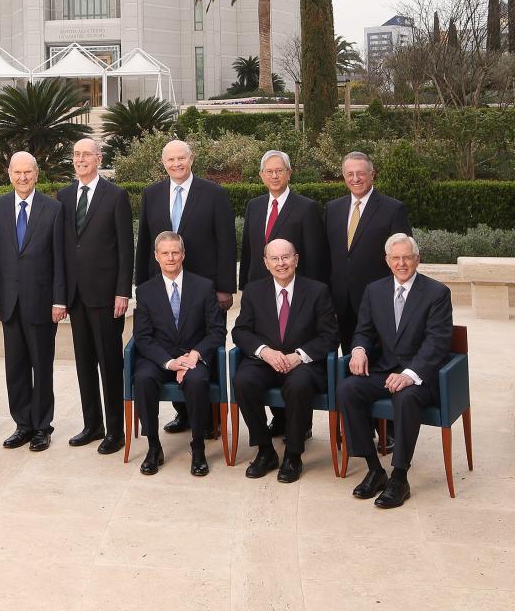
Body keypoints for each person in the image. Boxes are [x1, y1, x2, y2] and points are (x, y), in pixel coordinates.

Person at [337, 233, 453, 508]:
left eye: (407, 258)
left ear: (417, 260)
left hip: (420, 376)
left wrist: (409, 374)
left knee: (406, 397)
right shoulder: (374, 290)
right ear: (387, 261)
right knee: (348, 389)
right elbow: (363, 331)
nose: (402, 263)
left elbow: (437, 342)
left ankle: (399, 477)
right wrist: (359, 350)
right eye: (396, 258)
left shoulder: (437, 293)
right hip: (384, 369)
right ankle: (374, 468)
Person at [135, 139, 236, 435]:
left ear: (192, 159)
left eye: (182, 158)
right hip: (162, 287)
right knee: (170, 344)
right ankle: (185, 414)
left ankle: (209, 420)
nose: (177, 164)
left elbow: (227, 243)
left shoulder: (214, 193)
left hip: (205, 289)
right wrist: (142, 285)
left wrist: (225, 287)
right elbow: (144, 241)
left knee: (203, 350)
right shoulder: (151, 194)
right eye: (171, 160)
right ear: (163, 163)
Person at [231, 238, 339, 483]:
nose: (281, 263)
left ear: (296, 259)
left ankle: (293, 454)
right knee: (243, 381)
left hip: (302, 363)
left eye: (286, 257)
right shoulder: (254, 291)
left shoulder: (317, 291)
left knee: (299, 385)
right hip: (265, 361)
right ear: (266, 263)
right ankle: (265, 451)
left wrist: (298, 356)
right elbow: (240, 331)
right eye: (275, 259)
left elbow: (330, 336)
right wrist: (265, 351)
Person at [58, 137, 132, 454]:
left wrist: (122, 292)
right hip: (76, 297)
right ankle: (92, 425)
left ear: (99, 159)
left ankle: (116, 431)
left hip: (106, 296)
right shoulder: (63, 196)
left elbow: (126, 249)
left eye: (87, 154)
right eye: (76, 154)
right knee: (84, 363)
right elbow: (61, 250)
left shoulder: (116, 196)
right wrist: (60, 296)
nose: (81, 159)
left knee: (109, 364)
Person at [0, 151, 66, 451]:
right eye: (17, 172)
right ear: (9, 174)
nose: (22, 178)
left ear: (37, 174)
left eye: (28, 172)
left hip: (43, 302)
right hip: (9, 302)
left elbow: (61, 259)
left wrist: (59, 300)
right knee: (15, 368)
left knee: (41, 365)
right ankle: (22, 424)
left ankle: (42, 426)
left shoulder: (54, 209)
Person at [132, 232, 226, 477]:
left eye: (175, 252)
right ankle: (153, 446)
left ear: (183, 255)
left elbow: (217, 330)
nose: (171, 257)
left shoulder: (203, 286)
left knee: (196, 381)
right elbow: (142, 337)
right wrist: (170, 362)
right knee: (142, 379)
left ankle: (198, 448)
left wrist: (195, 355)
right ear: (156, 256)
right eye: (165, 253)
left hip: (193, 356)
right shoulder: (145, 291)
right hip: (160, 357)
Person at [325, 152, 411, 353]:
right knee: (348, 357)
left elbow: (403, 258)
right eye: (350, 174)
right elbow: (326, 255)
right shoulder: (332, 208)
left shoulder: (393, 209)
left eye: (361, 173)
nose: (355, 179)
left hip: (379, 301)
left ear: (372, 174)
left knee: (379, 360)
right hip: (341, 302)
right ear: (344, 176)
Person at [239, 151, 328, 288]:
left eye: (279, 171)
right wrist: (245, 286)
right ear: (261, 175)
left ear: (289, 173)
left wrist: (313, 293)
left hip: (294, 289)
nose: (274, 176)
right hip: (258, 287)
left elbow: (315, 257)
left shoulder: (307, 208)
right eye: (269, 171)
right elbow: (247, 251)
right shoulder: (254, 206)